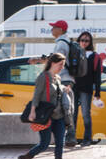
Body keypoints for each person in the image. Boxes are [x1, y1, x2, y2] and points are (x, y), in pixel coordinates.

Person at [17, 53, 68, 159]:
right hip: (46, 116)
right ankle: (24, 158)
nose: (62, 67)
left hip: (59, 115)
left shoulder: (58, 78)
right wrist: (33, 111)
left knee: (60, 143)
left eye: (63, 65)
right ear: (53, 63)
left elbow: (57, 95)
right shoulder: (43, 77)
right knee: (44, 144)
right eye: (60, 64)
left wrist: (64, 91)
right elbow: (36, 96)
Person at [30, 20, 77, 148]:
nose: (51, 30)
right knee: (65, 107)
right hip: (67, 78)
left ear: (60, 30)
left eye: (54, 27)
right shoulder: (65, 41)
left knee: (64, 108)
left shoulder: (61, 43)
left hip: (64, 78)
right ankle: (67, 136)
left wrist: (39, 60)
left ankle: (69, 136)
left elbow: (56, 60)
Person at [74, 31, 105, 147]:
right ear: (78, 41)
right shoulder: (74, 53)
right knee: (72, 114)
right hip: (73, 87)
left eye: (86, 40)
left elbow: (97, 76)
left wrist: (97, 92)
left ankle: (87, 139)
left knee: (86, 114)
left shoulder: (94, 56)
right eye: (82, 40)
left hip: (86, 89)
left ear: (90, 42)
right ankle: (71, 138)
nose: (84, 42)